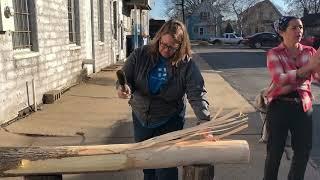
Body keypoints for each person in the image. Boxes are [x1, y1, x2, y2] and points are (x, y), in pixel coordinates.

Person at [116, 20, 213, 180]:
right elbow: (126, 78)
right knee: (147, 164)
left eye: (171, 47)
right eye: (163, 44)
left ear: (180, 47)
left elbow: (196, 93)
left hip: (169, 119)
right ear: (159, 37)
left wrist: (204, 120)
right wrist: (122, 88)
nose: (165, 50)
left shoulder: (186, 65)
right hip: (141, 117)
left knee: (165, 169)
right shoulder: (141, 54)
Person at [263, 16, 320, 180]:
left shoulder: (310, 52)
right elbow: (279, 78)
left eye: (301, 27)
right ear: (282, 32)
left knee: (303, 151)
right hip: (279, 106)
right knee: (275, 151)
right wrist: (307, 68)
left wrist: (315, 67)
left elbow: (316, 77)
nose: (299, 31)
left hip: (303, 106)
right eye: (294, 28)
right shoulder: (274, 53)